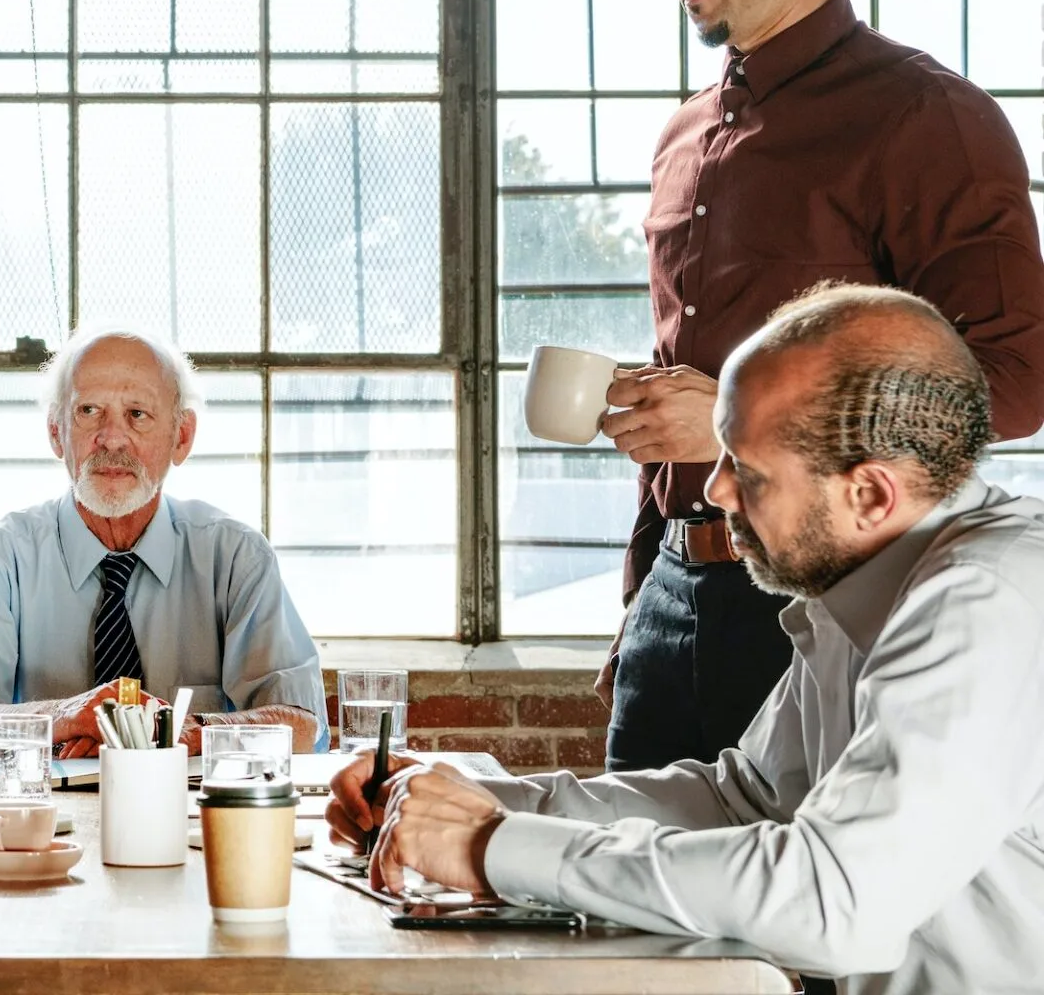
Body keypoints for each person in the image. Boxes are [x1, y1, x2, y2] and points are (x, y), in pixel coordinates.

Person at [330, 284, 1044, 995]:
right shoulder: (865, 575)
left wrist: (491, 846)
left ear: (870, 495)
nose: (719, 491)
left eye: (749, 470)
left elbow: (831, 904)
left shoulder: (987, 600)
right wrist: (479, 800)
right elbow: (745, 800)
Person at [596, 0, 1044, 770]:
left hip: (836, 610)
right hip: (673, 597)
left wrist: (729, 417)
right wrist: (641, 604)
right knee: (618, 909)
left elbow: (1012, 383)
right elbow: (681, 388)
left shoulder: (929, 120)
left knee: (800, 917)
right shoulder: (682, 136)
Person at [0, 328, 329, 757]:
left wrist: (175, 731)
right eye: (89, 411)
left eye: (137, 414)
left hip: (191, 818)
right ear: (56, 432)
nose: (111, 438)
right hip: (40, 817)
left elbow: (299, 726)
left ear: (181, 436)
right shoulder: (0, 559)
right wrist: (67, 716)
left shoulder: (236, 556)